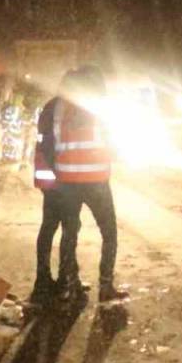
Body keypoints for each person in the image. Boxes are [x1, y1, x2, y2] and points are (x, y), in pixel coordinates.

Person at [53, 65, 129, 305]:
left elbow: (54, 140)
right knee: (109, 233)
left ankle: (71, 284)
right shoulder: (101, 107)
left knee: (69, 233)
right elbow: (114, 143)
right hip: (95, 181)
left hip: (67, 182)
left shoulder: (60, 107)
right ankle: (105, 285)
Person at [28, 70, 82, 304]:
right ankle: (65, 280)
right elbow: (56, 145)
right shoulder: (67, 110)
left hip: (49, 178)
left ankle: (44, 279)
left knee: (49, 226)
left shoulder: (50, 107)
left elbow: (45, 143)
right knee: (69, 227)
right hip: (62, 178)